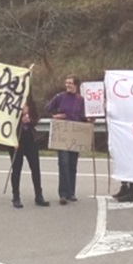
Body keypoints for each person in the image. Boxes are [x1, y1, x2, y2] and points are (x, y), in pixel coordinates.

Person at [46, 75, 87, 205]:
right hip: (63, 134)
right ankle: (63, 194)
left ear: (76, 85)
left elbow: (84, 116)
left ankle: (71, 192)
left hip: (75, 134)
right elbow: (48, 108)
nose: (67, 85)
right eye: (66, 83)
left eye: (70, 83)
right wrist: (55, 116)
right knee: (63, 163)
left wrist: (90, 120)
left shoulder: (81, 100)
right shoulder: (60, 97)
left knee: (72, 165)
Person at [8, 96, 51, 208]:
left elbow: (36, 118)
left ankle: (39, 195)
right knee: (16, 168)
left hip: (30, 140)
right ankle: (16, 196)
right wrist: (20, 117)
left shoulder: (31, 102)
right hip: (16, 141)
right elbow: (6, 121)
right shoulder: (11, 102)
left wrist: (30, 119)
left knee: (35, 167)